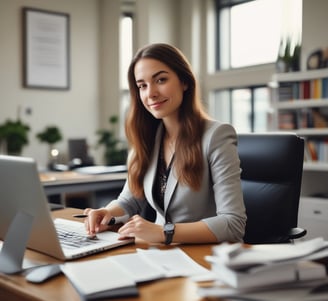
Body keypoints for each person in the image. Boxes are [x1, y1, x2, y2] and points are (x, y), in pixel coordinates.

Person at [84, 43, 246, 244]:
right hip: (160, 254)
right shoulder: (147, 137)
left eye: (160, 80)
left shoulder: (217, 136)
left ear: (184, 81)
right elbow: (131, 199)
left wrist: (165, 232)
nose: (150, 93)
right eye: (142, 85)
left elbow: (233, 223)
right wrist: (106, 212)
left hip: (206, 256)